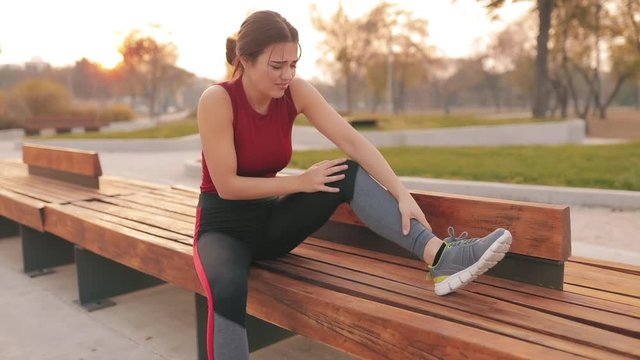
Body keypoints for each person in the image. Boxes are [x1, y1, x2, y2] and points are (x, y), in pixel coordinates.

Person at [193, 10, 512, 360]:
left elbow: (353, 142)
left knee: (346, 171)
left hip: (270, 227)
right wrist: (300, 181)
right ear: (245, 60)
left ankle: (441, 257)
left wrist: (400, 192)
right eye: (277, 65)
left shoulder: (295, 92)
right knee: (228, 288)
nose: (287, 75)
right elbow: (227, 186)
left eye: (293, 64)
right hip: (222, 233)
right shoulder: (217, 100)